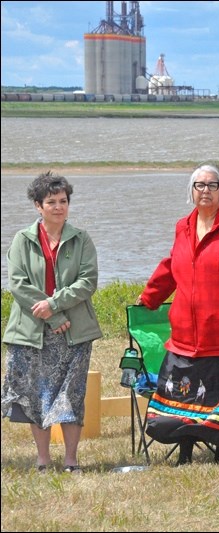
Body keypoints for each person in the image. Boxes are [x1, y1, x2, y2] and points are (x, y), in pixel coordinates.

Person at [135, 163, 219, 465]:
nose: (205, 191)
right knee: (181, 396)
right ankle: (184, 451)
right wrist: (150, 297)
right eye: (199, 185)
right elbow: (173, 266)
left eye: (212, 185)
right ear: (191, 191)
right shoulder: (183, 226)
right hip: (185, 332)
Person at [1, 171, 103, 474]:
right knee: (35, 397)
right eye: (51, 201)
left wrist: (54, 304)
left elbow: (88, 282)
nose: (59, 207)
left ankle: (71, 460)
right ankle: (43, 459)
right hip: (32, 332)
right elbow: (18, 284)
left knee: (72, 397)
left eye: (63, 201)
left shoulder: (82, 239)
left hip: (74, 333)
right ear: (38, 205)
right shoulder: (22, 239)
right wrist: (52, 315)